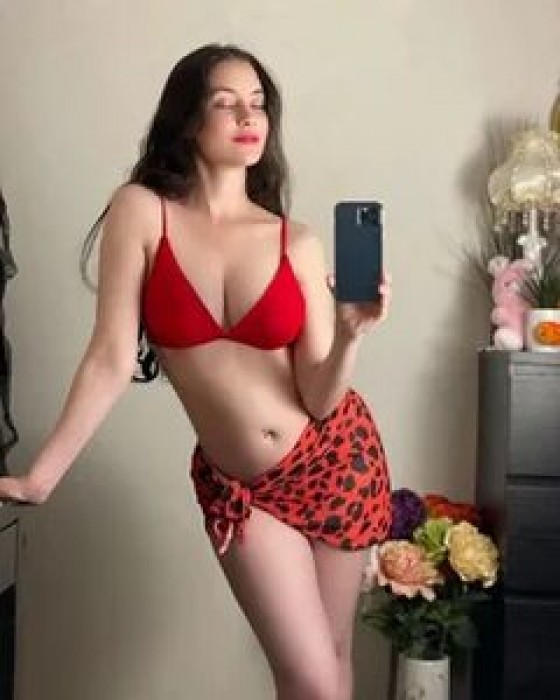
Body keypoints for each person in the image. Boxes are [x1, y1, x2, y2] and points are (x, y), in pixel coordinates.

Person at [0, 44, 392, 700]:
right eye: (225, 103)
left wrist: (351, 333)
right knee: (314, 681)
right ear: (187, 119)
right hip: (243, 489)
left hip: (337, 461)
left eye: (258, 105)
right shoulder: (141, 211)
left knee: (331, 667)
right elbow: (110, 356)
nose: (248, 117)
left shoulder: (296, 241)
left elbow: (322, 398)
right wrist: (42, 477)